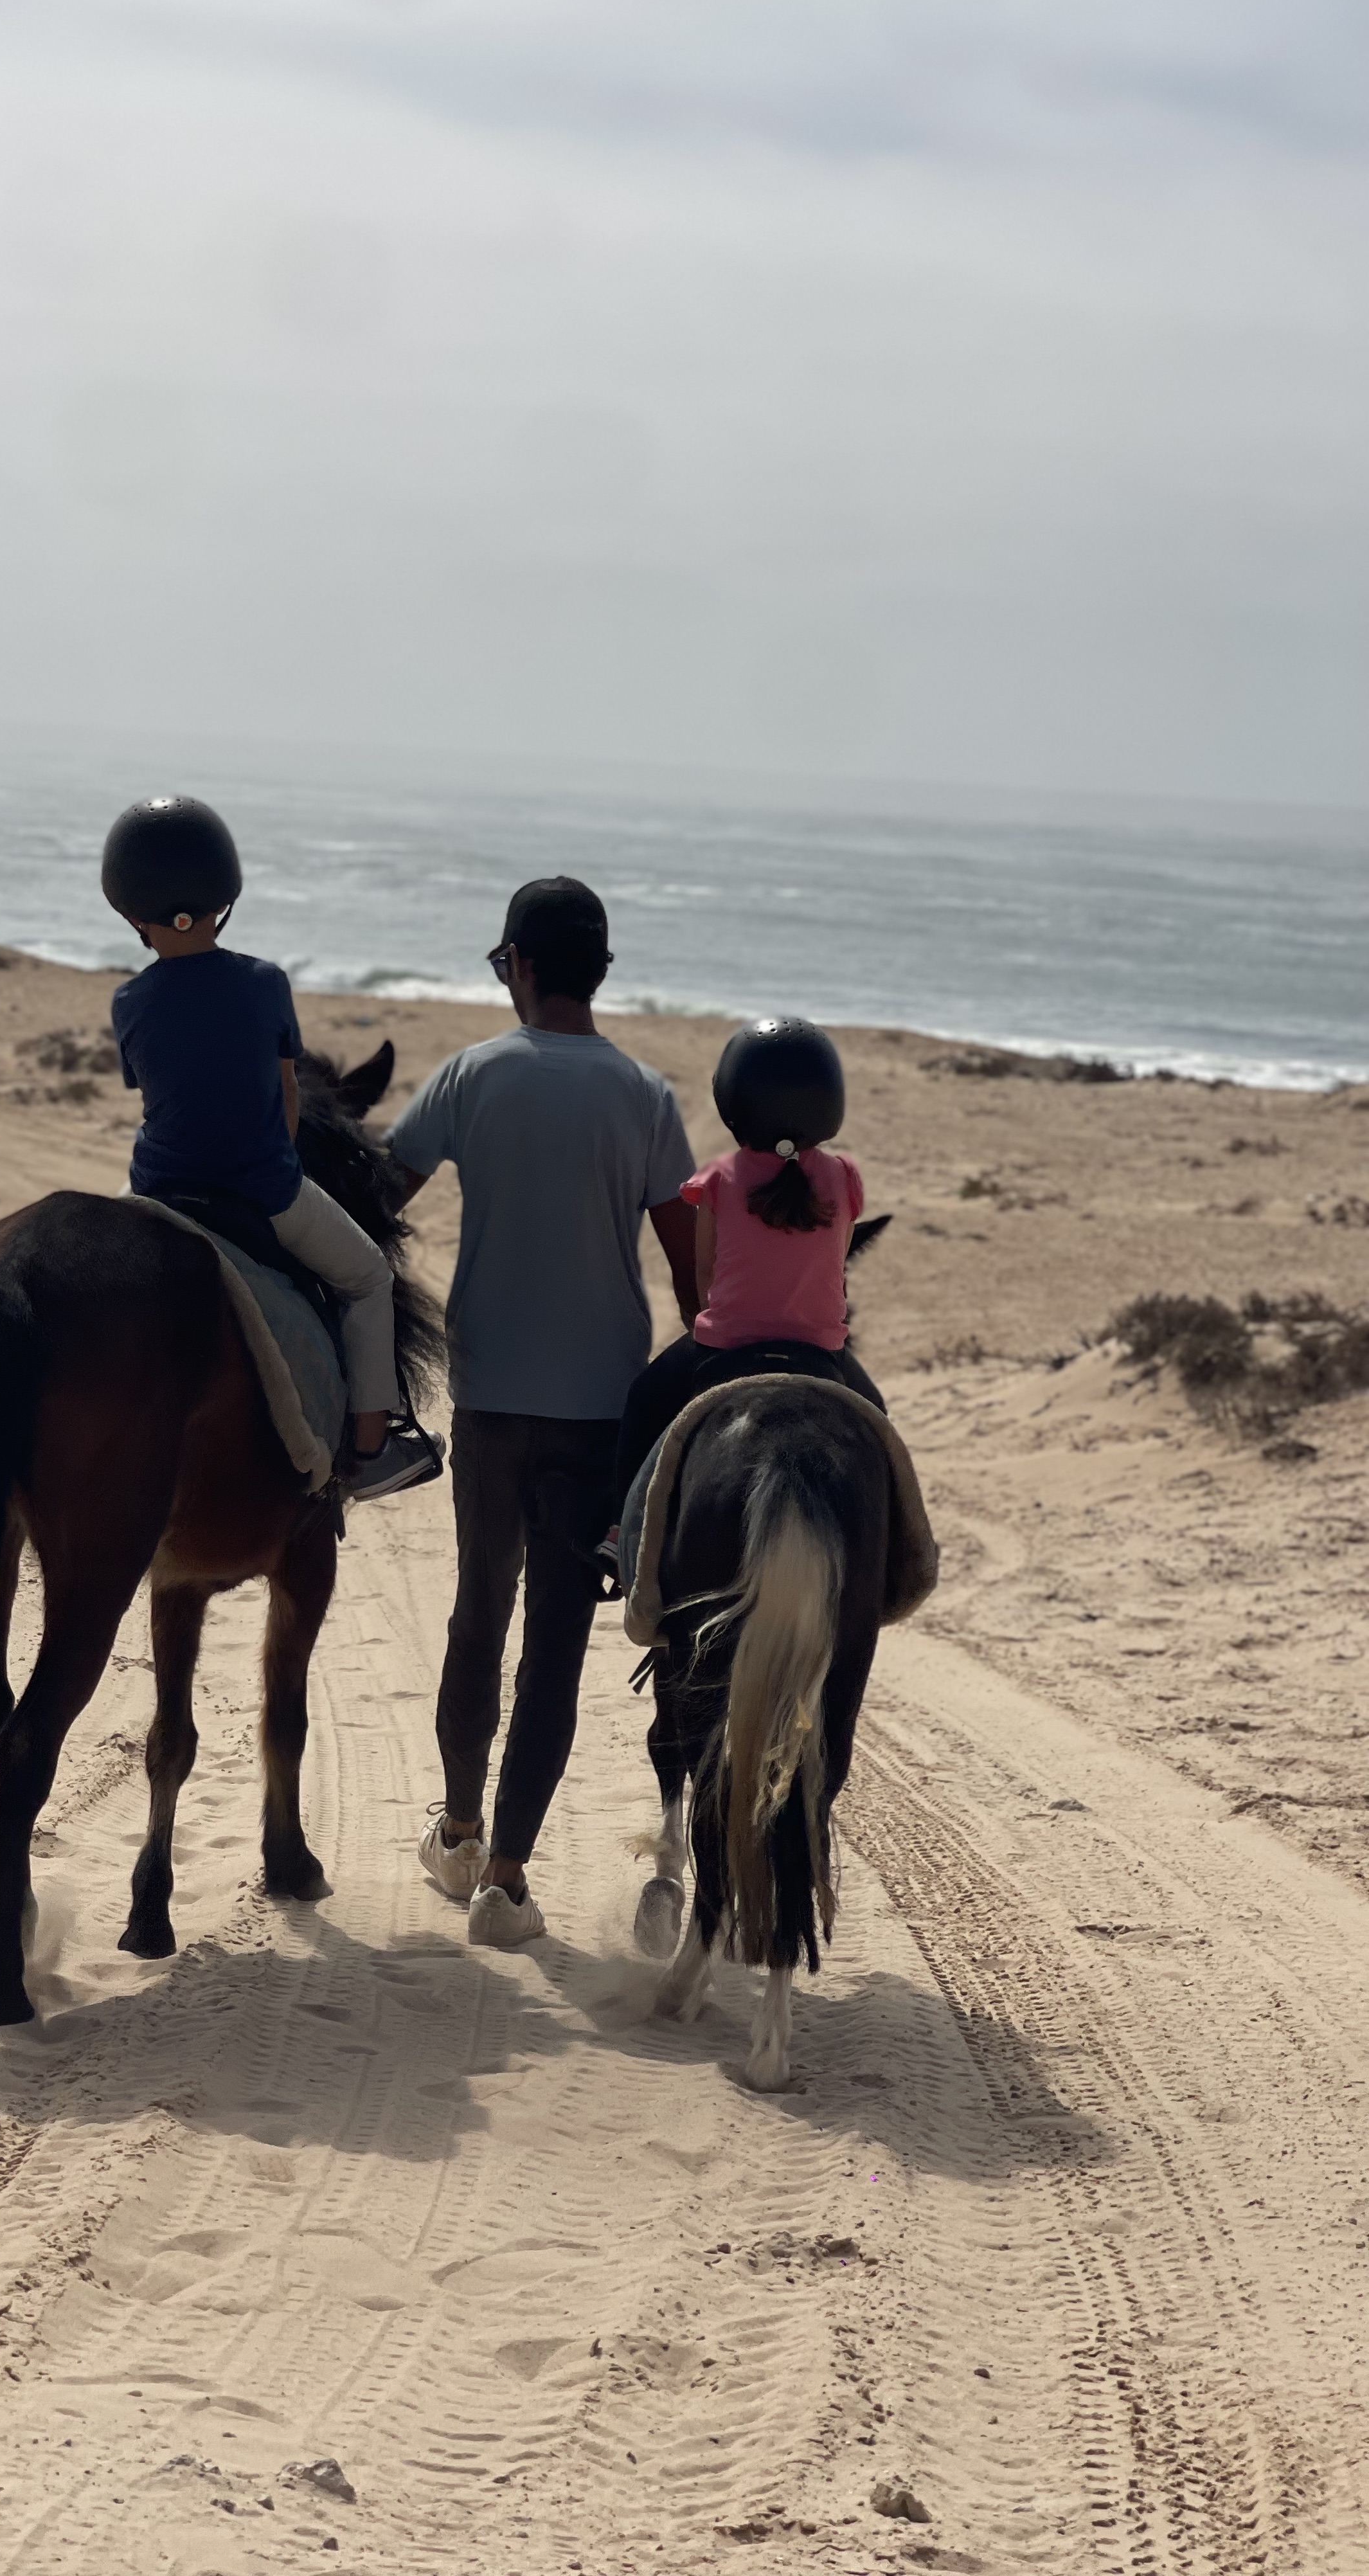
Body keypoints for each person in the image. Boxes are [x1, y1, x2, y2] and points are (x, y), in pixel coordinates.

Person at [387, 877, 699, 1947]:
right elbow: (690, 1272)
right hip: (599, 1408)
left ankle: (458, 1830)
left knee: (477, 1613)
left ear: (517, 963)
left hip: (489, 1393)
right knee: (555, 1644)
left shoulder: (471, 1074)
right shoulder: (646, 1096)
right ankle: (506, 1882)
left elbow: (377, 1200)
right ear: (598, 972)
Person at [104, 795, 441, 1502]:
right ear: (225, 898)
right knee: (367, 1280)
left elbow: (157, 1096)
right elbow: (286, 1095)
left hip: (159, 1190)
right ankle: (372, 1450)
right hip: (263, 1190)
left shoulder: (129, 1002)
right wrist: (274, 1158)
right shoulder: (265, 984)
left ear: (130, 912)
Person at [607, 1015, 886, 1529]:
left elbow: (706, 1273)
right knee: (877, 1423)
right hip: (820, 1351)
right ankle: (895, 1548)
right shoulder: (844, 1177)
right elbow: (837, 1259)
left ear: (735, 1103)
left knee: (643, 1400)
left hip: (727, 1345)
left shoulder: (718, 1178)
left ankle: (621, 1529)